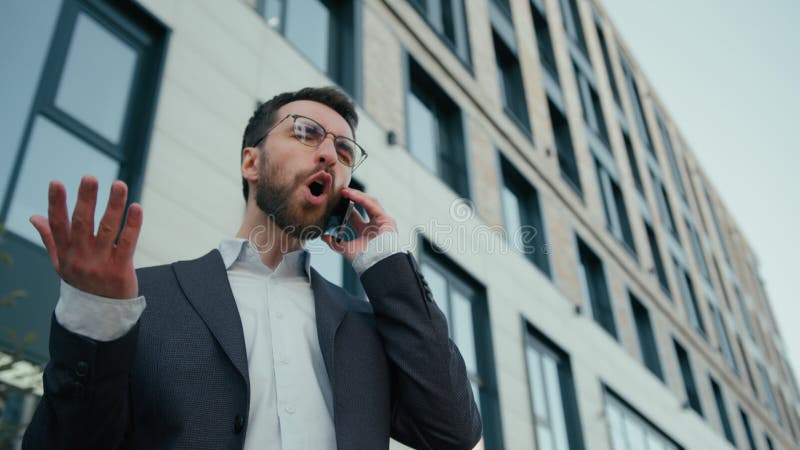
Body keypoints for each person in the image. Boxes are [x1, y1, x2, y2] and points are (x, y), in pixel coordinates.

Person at [21, 86, 482, 450]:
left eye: (344, 152)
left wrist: (386, 265)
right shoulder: (144, 300)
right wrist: (95, 319)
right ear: (251, 162)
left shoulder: (367, 327)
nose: (327, 154)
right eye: (305, 133)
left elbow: (453, 431)